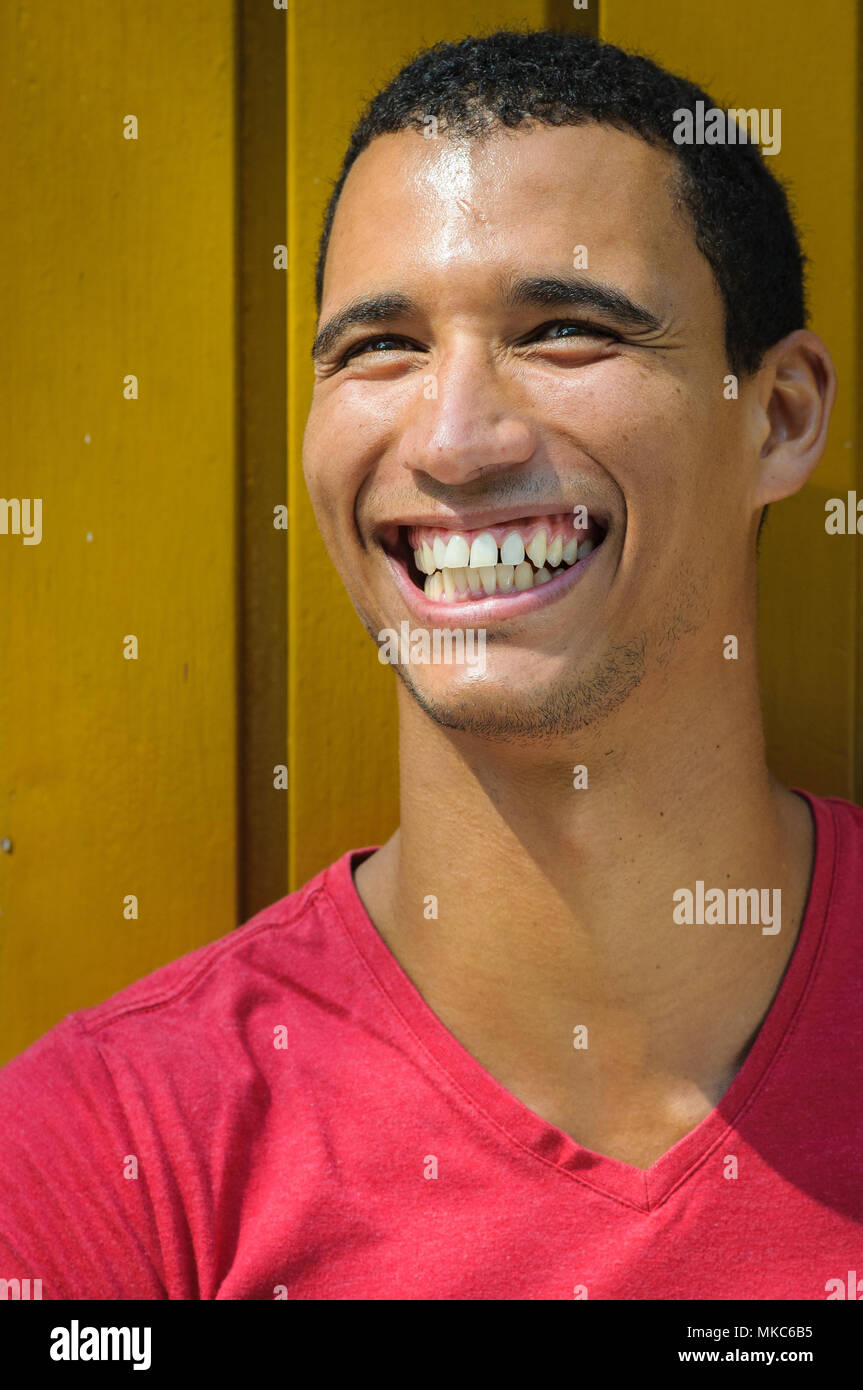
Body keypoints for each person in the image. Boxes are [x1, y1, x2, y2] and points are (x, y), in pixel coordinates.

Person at [1, 29, 860, 1302]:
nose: (454, 441)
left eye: (565, 329)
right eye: (378, 348)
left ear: (777, 417)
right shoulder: (108, 1161)